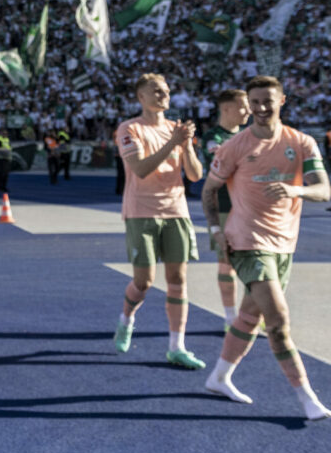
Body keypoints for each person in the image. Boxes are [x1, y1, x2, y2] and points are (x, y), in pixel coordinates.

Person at [202, 76, 331, 420]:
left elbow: (324, 189)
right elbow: (208, 190)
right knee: (277, 320)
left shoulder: (301, 142)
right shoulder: (234, 146)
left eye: (267, 101)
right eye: (254, 101)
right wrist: (216, 229)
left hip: (284, 243)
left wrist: (295, 191)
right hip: (246, 242)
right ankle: (307, 399)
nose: (260, 108)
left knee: (249, 316)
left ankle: (219, 377)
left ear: (282, 101)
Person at [113, 73, 205, 369]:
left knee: (178, 280)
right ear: (141, 97)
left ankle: (177, 346)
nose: (162, 95)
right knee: (144, 282)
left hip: (176, 210)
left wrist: (186, 145)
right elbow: (140, 169)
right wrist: (172, 143)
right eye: (155, 90)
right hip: (141, 211)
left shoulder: (176, 130)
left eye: (165, 90)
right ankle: (127, 318)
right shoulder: (129, 129)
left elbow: (194, 175)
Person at [199, 89, 250, 327]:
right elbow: (222, 166)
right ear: (226, 108)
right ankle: (230, 317)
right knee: (226, 263)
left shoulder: (251, 134)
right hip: (225, 208)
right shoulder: (214, 136)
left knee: (255, 263)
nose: (249, 111)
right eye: (243, 106)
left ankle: (251, 313)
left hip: (251, 209)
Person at [0, 128, 12, 193]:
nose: (5, 134)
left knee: (5, 174)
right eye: (4, 133)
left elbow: (9, 148)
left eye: (6, 133)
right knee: (0, 174)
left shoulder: (7, 140)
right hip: (0, 159)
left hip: (6, 159)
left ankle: (3, 186)